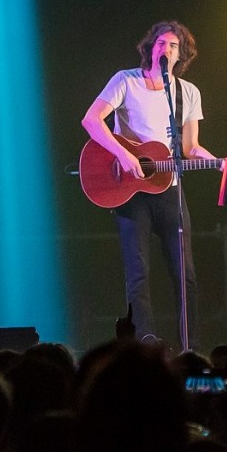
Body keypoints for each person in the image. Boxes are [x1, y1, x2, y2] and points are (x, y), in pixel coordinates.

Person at [81, 21, 216, 349]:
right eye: (162, 43)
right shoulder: (126, 80)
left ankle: (190, 346)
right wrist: (124, 154)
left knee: (186, 274)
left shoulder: (187, 92)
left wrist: (219, 162)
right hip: (131, 190)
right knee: (138, 273)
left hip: (170, 188)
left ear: (181, 54)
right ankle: (144, 341)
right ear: (150, 48)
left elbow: (190, 148)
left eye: (173, 45)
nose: (167, 49)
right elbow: (91, 119)